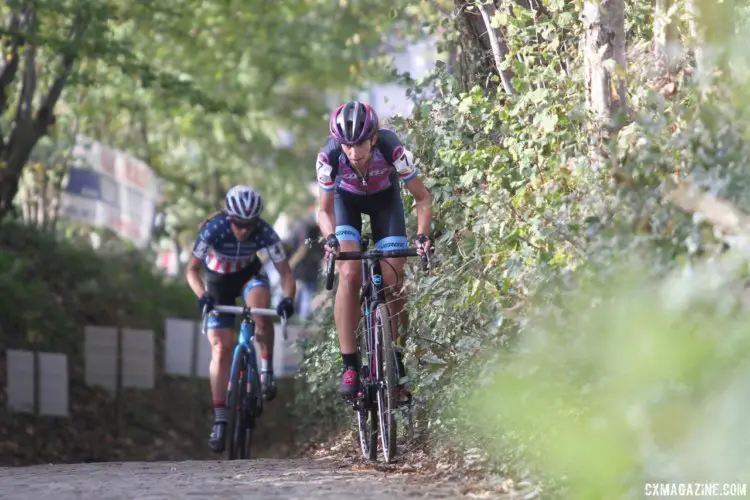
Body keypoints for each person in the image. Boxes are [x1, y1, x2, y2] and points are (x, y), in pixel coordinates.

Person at [315, 100, 434, 401]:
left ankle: (396, 360)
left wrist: (422, 236)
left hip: (385, 202)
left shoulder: (392, 149)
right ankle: (350, 366)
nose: (354, 153)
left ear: (374, 138)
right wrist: (330, 239)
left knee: (394, 280)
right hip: (346, 203)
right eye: (347, 145)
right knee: (350, 273)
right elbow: (324, 210)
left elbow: (422, 198)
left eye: (361, 144)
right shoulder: (328, 158)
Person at [184, 185, 296, 453]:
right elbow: (191, 270)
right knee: (221, 349)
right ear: (229, 217)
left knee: (261, 313)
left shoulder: (266, 232)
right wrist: (202, 296)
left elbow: (287, 275)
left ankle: (266, 371)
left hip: (249, 276)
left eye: (250, 224)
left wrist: (287, 300)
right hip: (217, 283)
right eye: (239, 224)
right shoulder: (213, 230)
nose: (244, 230)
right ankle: (220, 419)